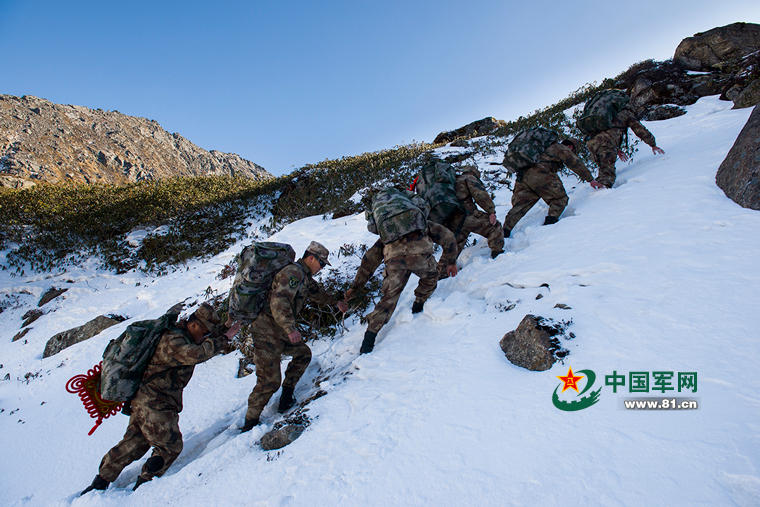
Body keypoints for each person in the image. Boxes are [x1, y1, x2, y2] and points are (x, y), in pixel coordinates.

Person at [81, 304, 225, 494]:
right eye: (205, 332)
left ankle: (100, 482)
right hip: (155, 402)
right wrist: (225, 338)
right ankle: (144, 488)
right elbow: (197, 354)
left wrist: (225, 330)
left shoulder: (179, 335)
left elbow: (200, 346)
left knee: (135, 442)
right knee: (169, 446)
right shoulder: (174, 341)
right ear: (194, 325)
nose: (205, 336)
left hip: (144, 400)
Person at [240, 242, 348, 432]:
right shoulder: (293, 273)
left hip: (279, 330)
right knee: (269, 381)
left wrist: (336, 301)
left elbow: (318, 294)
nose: (321, 268)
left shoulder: (303, 276)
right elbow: (278, 301)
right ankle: (249, 423)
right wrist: (290, 328)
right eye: (321, 264)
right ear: (311, 258)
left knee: (303, 354)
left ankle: (286, 398)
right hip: (266, 331)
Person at [347, 220, 457, 355]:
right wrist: (451, 261)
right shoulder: (421, 222)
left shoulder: (388, 231)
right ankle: (419, 303)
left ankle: (368, 340)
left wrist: (356, 286)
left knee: (388, 299)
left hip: (395, 262)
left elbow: (370, 259)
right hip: (420, 258)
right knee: (431, 276)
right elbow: (448, 236)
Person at [502, 138, 604, 237]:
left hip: (523, 175)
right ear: (570, 146)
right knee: (560, 199)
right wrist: (590, 179)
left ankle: (504, 232)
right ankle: (549, 227)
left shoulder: (542, 147)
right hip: (541, 173)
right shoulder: (560, 148)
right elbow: (575, 163)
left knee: (520, 206)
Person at [584, 91, 665, 188]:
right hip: (606, 143)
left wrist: (616, 149)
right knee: (607, 177)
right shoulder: (625, 112)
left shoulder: (607, 113)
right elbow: (639, 129)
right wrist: (653, 144)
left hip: (590, 142)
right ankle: (603, 196)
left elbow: (607, 131)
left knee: (603, 168)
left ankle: (599, 189)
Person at [452, 164, 504, 260]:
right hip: (467, 216)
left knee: (454, 246)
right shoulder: (469, 178)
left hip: (451, 219)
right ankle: (497, 255)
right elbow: (480, 195)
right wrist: (491, 211)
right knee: (494, 227)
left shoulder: (453, 180)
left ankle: (442, 271)